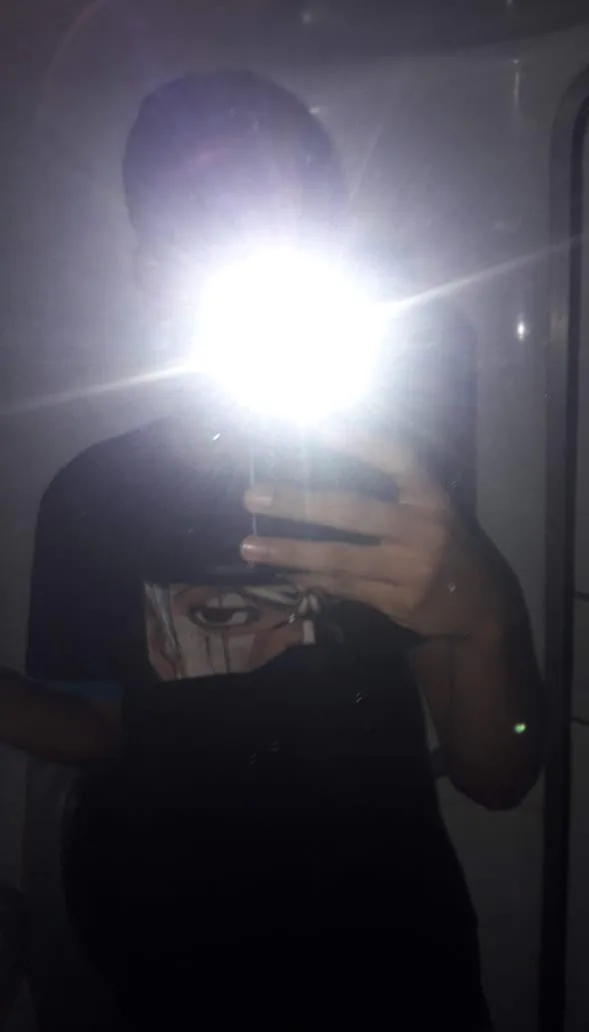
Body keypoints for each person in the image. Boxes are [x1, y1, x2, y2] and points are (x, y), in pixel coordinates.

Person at [18, 70, 543, 1030]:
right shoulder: (89, 496)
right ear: (153, 272)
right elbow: (99, 726)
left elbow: (497, 777)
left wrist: (488, 616)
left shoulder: (388, 474)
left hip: (393, 963)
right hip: (166, 960)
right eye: (211, 232)